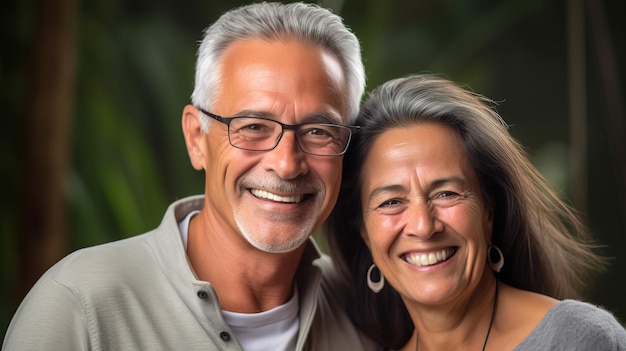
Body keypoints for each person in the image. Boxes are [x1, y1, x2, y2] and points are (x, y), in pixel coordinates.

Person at [3, 2, 380, 350]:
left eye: (319, 131)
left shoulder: (369, 309)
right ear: (196, 138)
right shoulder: (81, 304)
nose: (286, 163)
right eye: (252, 127)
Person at [326, 74, 626, 350]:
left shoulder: (577, 339)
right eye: (391, 202)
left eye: (446, 194)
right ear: (364, 231)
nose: (423, 226)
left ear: (488, 209)